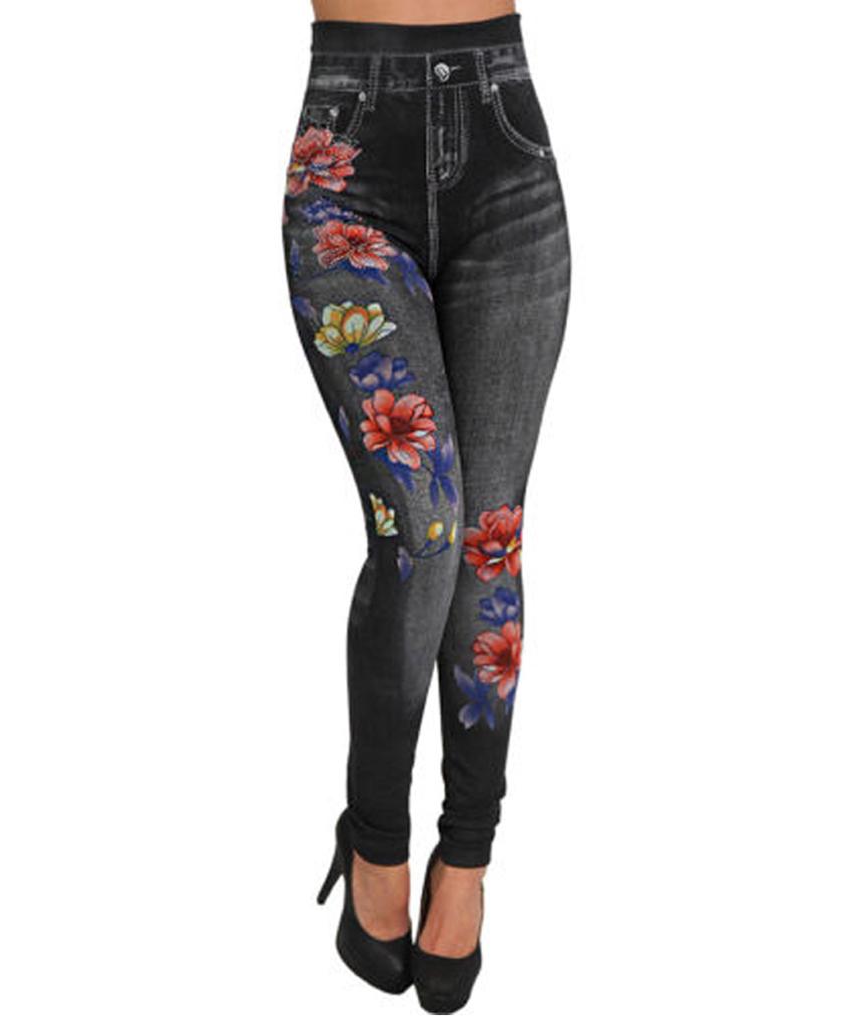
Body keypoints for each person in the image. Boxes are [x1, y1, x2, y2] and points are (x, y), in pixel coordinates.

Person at [282, 0, 570, 1011]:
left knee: (489, 538)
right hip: (348, 154)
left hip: (507, 142)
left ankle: (468, 854)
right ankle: (375, 838)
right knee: (423, 532)